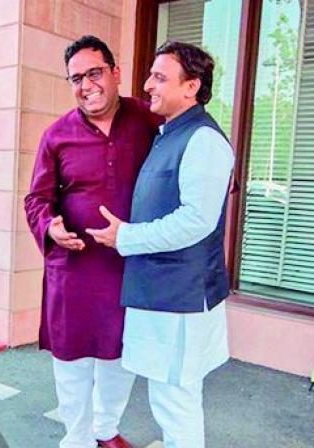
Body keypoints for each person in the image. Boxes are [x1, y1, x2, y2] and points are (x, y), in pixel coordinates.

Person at [86, 41, 233, 448]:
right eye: (151, 74)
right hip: (163, 292)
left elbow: (196, 222)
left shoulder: (204, 140)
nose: (148, 84)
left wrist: (126, 237)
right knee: (170, 395)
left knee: (175, 398)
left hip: (180, 296)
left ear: (192, 87)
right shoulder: (171, 133)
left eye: (160, 77)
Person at [24, 35, 161, 448]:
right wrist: (49, 226)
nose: (86, 85)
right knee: (72, 361)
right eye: (76, 78)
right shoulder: (57, 135)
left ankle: (105, 430)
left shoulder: (147, 118)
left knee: (120, 355)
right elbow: (36, 198)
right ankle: (77, 438)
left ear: (116, 73)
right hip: (74, 269)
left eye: (94, 73)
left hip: (128, 266)